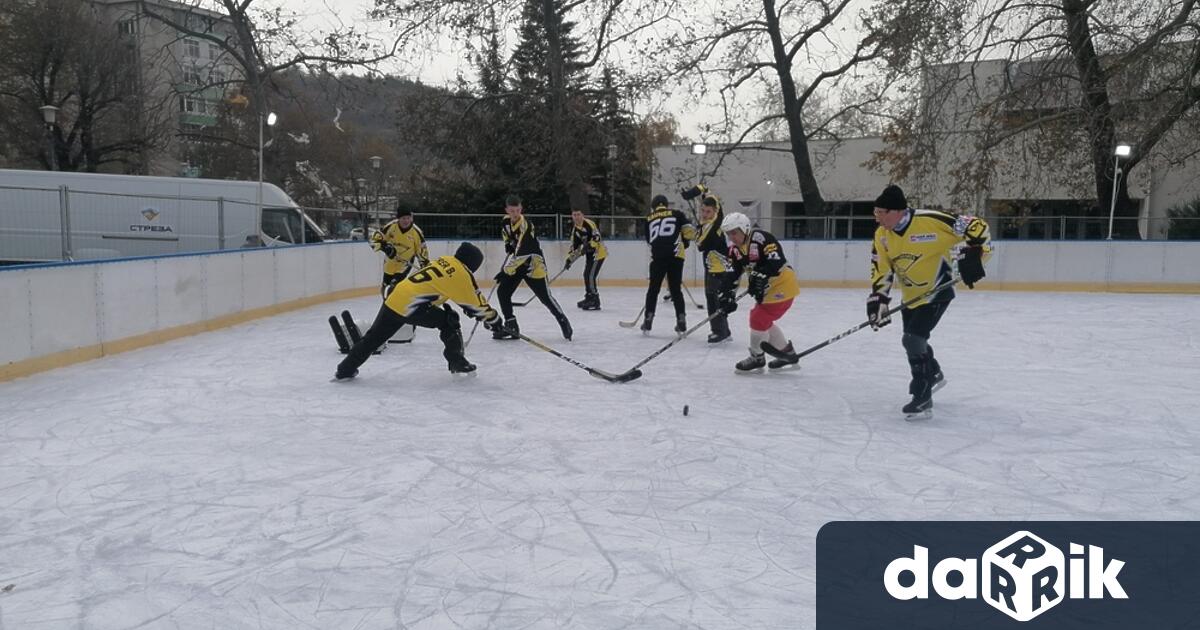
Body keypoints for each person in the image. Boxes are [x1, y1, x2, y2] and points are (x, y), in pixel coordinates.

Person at [867, 184, 992, 417]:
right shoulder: (882, 235)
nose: (877, 219)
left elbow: (978, 226)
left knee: (912, 339)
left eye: (880, 213)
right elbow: (881, 269)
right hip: (912, 296)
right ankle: (933, 373)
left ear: (896, 211)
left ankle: (922, 394)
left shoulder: (932, 220)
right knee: (916, 341)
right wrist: (878, 299)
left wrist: (975, 253)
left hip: (937, 291)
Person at [334, 242, 501, 380]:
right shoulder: (462, 273)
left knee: (373, 338)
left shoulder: (445, 260)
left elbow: (437, 287)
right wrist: (494, 320)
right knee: (449, 321)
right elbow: (476, 304)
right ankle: (458, 362)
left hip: (395, 296)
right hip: (411, 306)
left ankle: (345, 370)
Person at [720, 212, 802, 372]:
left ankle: (757, 357)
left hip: (782, 286)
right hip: (767, 291)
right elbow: (732, 275)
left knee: (757, 318)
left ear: (745, 229)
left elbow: (776, 262)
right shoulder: (734, 251)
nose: (731, 237)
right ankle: (786, 352)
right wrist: (726, 295)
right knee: (763, 322)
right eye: (728, 234)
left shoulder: (761, 238)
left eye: (734, 232)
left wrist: (759, 276)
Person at [492, 194, 573, 341]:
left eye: (517, 210)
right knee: (502, 291)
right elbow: (507, 235)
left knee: (545, 298)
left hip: (533, 265)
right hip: (517, 265)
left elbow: (523, 253)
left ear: (521, 209)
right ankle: (511, 325)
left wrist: (505, 271)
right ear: (507, 211)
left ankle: (562, 320)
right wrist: (508, 244)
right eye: (512, 211)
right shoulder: (505, 222)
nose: (515, 214)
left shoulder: (526, 226)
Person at [369, 203, 429, 344]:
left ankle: (399, 321)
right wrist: (385, 247)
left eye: (408, 218)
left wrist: (425, 267)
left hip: (404, 266)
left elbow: (423, 254)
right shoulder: (391, 227)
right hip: (389, 266)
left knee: (393, 291)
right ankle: (390, 319)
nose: (406, 221)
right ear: (398, 219)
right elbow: (374, 240)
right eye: (403, 218)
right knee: (385, 292)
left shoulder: (416, 233)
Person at [682, 183, 732, 343]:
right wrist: (692, 192)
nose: (704, 214)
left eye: (708, 212)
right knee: (717, 299)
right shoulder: (712, 219)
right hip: (716, 266)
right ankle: (724, 330)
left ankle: (719, 331)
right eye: (702, 210)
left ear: (715, 211)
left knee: (713, 300)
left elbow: (701, 244)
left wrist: (686, 231)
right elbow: (705, 189)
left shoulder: (713, 225)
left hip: (717, 268)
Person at [641, 195, 696, 335]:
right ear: (666, 204)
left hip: (658, 257)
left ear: (654, 206)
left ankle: (648, 318)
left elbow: (649, 239)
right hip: (676, 256)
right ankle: (681, 319)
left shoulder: (649, 218)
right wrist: (685, 241)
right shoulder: (677, 214)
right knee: (675, 290)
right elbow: (689, 232)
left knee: (653, 289)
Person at [566, 209, 608, 310]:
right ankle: (589, 297)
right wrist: (569, 260)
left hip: (598, 253)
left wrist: (589, 245)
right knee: (586, 274)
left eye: (578, 215)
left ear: (582, 215)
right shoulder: (575, 231)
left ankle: (595, 299)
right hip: (590, 255)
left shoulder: (589, 223)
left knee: (590, 276)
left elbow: (597, 237)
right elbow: (574, 248)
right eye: (574, 215)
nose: (576, 217)